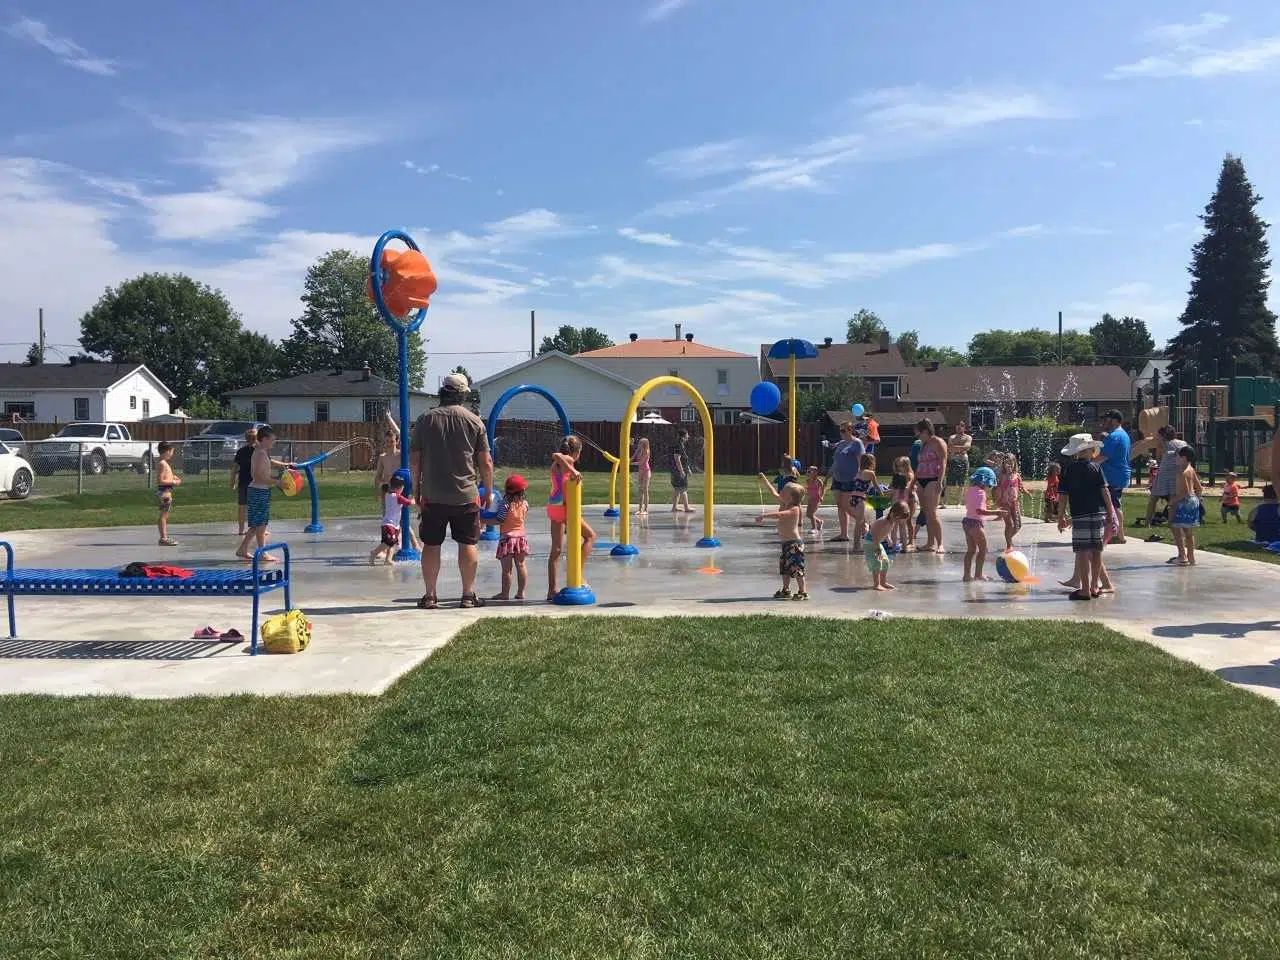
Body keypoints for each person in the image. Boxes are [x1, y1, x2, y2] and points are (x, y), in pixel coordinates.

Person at [410, 372, 493, 610]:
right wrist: (487, 490)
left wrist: (416, 490)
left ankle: (430, 596)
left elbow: (415, 461)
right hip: (465, 495)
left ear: (442, 393)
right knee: (467, 543)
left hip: (433, 494)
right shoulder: (474, 421)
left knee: (431, 544)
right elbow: (485, 462)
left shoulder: (425, 420)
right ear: (463, 394)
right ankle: (468, 595)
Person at [1058, 433, 1116, 601]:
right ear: (1090, 450)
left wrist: (1061, 516)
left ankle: (1084, 589)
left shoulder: (1069, 469)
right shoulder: (1096, 468)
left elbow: (1063, 496)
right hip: (1098, 513)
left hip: (1080, 514)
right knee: (1097, 550)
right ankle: (1094, 586)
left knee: (1083, 551)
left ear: (1075, 453)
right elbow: (1104, 491)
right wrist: (1110, 512)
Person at [547, 436, 596, 601]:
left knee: (556, 550)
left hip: (555, 507)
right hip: (566, 509)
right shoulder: (566, 460)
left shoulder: (557, 465)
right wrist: (573, 470)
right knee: (590, 537)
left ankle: (552, 589)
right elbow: (556, 455)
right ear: (577, 452)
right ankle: (578, 574)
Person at [235, 426, 293, 563]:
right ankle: (263, 553)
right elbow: (258, 477)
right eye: (272, 440)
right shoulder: (260, 453)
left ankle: (242, 550)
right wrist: (278, 482)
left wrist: (286, 465)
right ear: (265, 439)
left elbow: (269, 464)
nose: (274, 443)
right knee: (261, 525)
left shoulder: (261, 451)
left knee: (256, 524)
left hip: (260, 490)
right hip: (259, 491)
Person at [1140, 425, 1187, 541]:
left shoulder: (1162, 444)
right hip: (1176, 474)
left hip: (1164, 474)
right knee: (1172, 501)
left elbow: (1159, 459)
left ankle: (1148, 523)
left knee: (1153, 499)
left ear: (1163, 435)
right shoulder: (1183, 443)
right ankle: (1172, 524)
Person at [961, 466, 1005, 582]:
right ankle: (978, 575)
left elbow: (972, 507)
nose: (989, 487)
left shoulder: (970, 490)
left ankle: (966, 575)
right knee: (983, 550)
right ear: (985, 482)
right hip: (975, 524)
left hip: (967, 522)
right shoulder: (981, 493)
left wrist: (986, 506)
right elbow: (979, 511)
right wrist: (997, 512)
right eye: (989, 484)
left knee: (970, 550)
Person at [824, 421, 865, 542]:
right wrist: (827, 477)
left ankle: (863, 524)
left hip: (850, 478)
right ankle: (843, 534)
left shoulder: (857, 443)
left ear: (851, 430)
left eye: (843, 430)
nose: (841, 433)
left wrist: (860, 476)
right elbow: (836, 462)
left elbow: (861, 462)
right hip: (837, 478)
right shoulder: (841, 444)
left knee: (846, 506)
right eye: (840, 430)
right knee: (840, 506)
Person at [1096, 409, 1132, 544]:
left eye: (1107, 419)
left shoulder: (1114, 436)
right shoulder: (1123, 435)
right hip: (1119, 475)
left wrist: (1086, 465)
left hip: (1113, 476)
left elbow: (1103, 457)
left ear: (1115, 420)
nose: (1104, 422)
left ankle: (1118, 535)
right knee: (1114, 504)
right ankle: (1118, 534)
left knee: (1113, 506)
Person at [493, 474, 530, 601]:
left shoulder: (505, 504)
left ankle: (505, 594)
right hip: (520, 538)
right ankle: (521, 592)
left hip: (507, 539)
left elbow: (499, 520)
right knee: (521, 565)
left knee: (507, 570)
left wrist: (483, 520)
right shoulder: (525, 504)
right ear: (522, 490)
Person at [915, 418, 949, 553]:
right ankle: (930, 543)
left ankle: (940, 544)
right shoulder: (923, 444)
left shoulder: (938, 442)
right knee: (926, 513)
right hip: (921, 480)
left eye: (919, 434)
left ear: (925, 431)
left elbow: (943, 463)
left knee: (933, 513)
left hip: (934, 479)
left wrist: (940, 481)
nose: (918, 437)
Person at [770, 482, 807, 601]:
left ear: (791, 497)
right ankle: (786, 590)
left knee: (796, 568)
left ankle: (803, 591)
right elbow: (774, 493)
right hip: (786, 545)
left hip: (794, 544)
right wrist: (764, 480)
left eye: (784, 492)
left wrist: (763, 516)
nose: (781, 493)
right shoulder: (786, 504)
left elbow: (780, 515)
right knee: (785, 569)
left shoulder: (795, 509)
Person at [1168, 446, 1203, 566]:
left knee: (1175, 527)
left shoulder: (1181, 473)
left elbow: (1184, 492)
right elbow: (1199, 488)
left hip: (1183, 502)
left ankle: (1182, 556)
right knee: (1188, 531)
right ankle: (1191, 557)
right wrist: (1197, 500)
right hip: (1193, 501)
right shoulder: (1191, 469)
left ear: (1183, 458)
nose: (1175, 459)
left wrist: (1172, 501)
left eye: (1177, 456)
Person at [865, 501, 910, 591]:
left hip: (878, 542)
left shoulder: (891, 521)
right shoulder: (883, 521)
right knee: (877, 562)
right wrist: (877, 550)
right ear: (893, 513)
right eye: (898, 518)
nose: (899, 521)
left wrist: (888, 539)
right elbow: (875, 536)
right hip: (871, 543)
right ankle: (876, 584)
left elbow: (886, 532)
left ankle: (883, 582)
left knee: (885, 562)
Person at [370, 475, 415, 565]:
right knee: (388, 543)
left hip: (391, 525)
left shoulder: (387, 494)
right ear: (401, 488)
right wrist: (414, 498)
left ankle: (388, 560)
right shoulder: (398, 497)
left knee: (393, 543)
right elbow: (409, 503)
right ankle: (374, 553)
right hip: (389, 525)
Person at [992, 452, 1024, 552]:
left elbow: (1020, 486)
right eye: (1007, 463)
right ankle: (1009, 545)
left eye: (1011, 462)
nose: (1009, 465)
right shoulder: (1001, 475)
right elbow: (996, 488)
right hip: (1004, 503)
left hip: (1014, 502)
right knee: (1009, 524)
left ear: (1015, 463)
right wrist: (996, 500)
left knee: (1018, 525)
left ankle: (1009, 538)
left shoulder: (1017, 475)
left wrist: (1025, 491)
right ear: (1003, 464)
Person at [229, 426, 257, 536]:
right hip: (255, 483)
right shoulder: (259, 451)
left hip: (243, 482)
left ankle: (241, 530)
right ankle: (256, 529)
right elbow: (269, 462)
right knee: (255, 506)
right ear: (257, 439)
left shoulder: (241, 451)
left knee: (242, 506)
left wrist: (232, 481)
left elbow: (235, 468)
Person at [155, 441, 181, 547]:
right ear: (167, 451)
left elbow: (166, 476)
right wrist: (173, 482)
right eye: (171, 452)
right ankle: (163, 538)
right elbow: (160, 480)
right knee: (163, 516)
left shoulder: (164, 463)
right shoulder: (162, 463)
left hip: (167, 492)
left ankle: (164, 537)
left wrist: (173, 477)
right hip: (164, 493)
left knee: (165, 515)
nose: (172, 454)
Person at [888, 455, 915, 551]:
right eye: (898, 466)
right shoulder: (905, 489)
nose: (899, 468)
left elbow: (889, 492)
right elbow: (907, 488)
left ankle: (894, 545)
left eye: (901, 466)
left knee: (894, 528)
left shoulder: (909, 475)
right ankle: (904, 546)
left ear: (906, 466)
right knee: (903, 528)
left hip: (898, 508)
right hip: (905, 506)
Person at [849, 453, 877, 544]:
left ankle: (865, 539)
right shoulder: (870, 473)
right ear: (871, 462)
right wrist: (883, 495)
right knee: (859, 523)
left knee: (861, 521)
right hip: (861, 499)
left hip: (853, 499)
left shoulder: (858, 472)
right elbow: (876, 487)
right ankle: (856, 545)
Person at [945, 421, 973, 507]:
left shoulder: (968, 437)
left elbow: (967, 447)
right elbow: (949, 448)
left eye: (960, 427)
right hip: (953, 460)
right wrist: (961, 448)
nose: (958, 429)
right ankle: (945, 502)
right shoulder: (952, 437)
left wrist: (955, 448)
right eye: (957, 427)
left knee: (962, 481)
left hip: (963, 460)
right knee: (949, 482)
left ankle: (959, 502)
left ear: (964, 428)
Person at [671, 428, 693, 513]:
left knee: (677, 489)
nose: (688, 436)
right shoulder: (678, 445)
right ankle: (686, 507)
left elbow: (684, 459)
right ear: (683, 436)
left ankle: (674, 507)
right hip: (678, 471)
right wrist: (681, 471)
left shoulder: (681, 445)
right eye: (687, 435)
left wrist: (688, 469)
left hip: (678, 470)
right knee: (683, 488)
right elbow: (677, 459)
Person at [632, 437, 652, 516]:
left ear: (644, 444)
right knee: (640, 490)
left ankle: (646, 509)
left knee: (645, 490)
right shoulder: (638, 450)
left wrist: (630, 464)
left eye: (640, 443)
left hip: (646, 471)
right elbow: (633, 457)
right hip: (640, 471)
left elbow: (641, 463)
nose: (638, 444)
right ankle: (640, 509)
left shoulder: (647, 451)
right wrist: (628, 460)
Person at [804, 465, 826, 534]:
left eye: (810, 471)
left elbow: (823, 489)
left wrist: (822, 496)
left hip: (816, 499)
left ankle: (814, 528)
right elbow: (807, 489)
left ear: (815, 472)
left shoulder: (818, 481)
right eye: (808, 471)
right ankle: (819, 521)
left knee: (811, 513)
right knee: (808, 514)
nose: (809, 472)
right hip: (810, 498)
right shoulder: (808, 480)